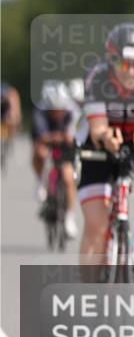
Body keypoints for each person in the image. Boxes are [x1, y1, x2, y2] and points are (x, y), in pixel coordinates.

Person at [77, 23, 134, 267]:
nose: (130, 72)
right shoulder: (97, 78)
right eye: (123, 65)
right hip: (99, 144)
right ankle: (89, 295)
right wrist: (106, 137)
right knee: (96, 227)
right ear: (111, 60)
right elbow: (98, 128)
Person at [31, 82, 82, 238]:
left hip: (66, 144)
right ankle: (41, 181)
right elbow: (42, 137)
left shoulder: (72, 110)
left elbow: (73, 134)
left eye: (60, 110)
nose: (57, 113)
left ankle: (69, 218)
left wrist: (68, 136)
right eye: (53, 110)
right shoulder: (40, 110)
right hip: (47, 140)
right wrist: (53, 138)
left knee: (68, 177)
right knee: (39, 153)